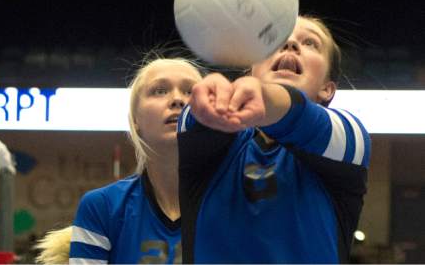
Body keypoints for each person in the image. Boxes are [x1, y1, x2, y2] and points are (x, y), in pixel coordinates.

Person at [177, 15, 371, 263]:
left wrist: (264, 97)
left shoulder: (349, 136)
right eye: (273, 39)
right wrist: (211, 97)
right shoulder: (197, 126)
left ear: (328, 88)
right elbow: (196, 119)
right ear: (251, 70)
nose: (290, 43)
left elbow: (304, 119)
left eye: (311, 43)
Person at [68, 57, 203, 264]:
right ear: (135, 118)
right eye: (159, 90)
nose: (178, 100)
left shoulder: (238, 201)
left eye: (191, 92)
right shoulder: (101, 207)